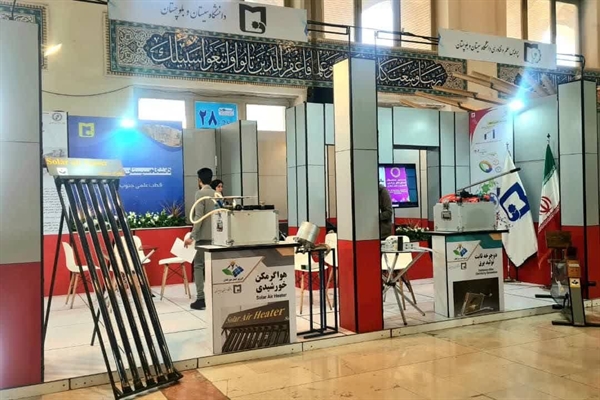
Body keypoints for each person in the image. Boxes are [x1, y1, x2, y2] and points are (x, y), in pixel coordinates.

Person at [185, 168, 216, 310]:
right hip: (217, 237)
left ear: (199, 180)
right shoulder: (217, 194)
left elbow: (199, 217)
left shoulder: (200, 194)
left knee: (198, 266)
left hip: (203, 238)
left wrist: (192, 236)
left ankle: (200, 298)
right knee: (214, 267)